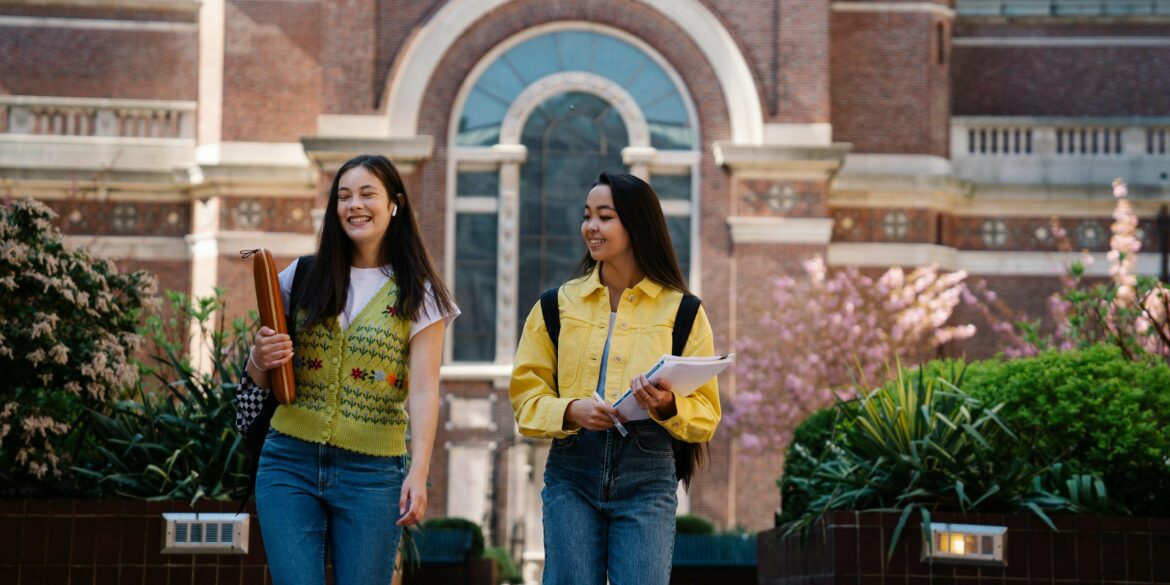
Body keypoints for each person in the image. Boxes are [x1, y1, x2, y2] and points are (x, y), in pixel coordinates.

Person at [246, 154, 458, 585]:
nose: (354, 205)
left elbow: (423, 391)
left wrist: (418, 473)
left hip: (373, 474)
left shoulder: (421, 293)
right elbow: (258, 373)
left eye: (367, 194)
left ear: (394, 204)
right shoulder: (299, 276)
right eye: (344, 196)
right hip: (289, 461)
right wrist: (258, 357)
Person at [510, 171, 721, 585]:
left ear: (637, 223)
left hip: (648, 475)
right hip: (572, 471)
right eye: (587, 215)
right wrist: (571, 410)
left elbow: (706, 416)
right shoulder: (555, 306)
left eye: (605, 216)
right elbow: (525, 401)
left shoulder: (684, 312)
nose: (591, 226)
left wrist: (666, 404)